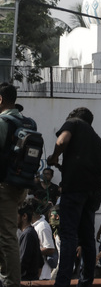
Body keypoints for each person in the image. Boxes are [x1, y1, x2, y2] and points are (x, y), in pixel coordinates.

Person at [47, 107, 101, 287]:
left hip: (74, 189)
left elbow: (61, 141)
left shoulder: (73, 123)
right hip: (93, 195)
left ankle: (62, 282)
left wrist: (54, 157)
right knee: (87, 239)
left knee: (68, 237)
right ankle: (85, 282)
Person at [0, 82, 29, 287]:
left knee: (7, 236)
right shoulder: (25, 122)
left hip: (4, 185)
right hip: (19, 185)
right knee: (5, 233)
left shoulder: (3, 121)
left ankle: (11, 282)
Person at [30, 199, 56, 280]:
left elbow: (50, 248)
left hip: (43, 275)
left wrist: (30, 252)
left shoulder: (42, 226)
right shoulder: (34, 225)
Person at [17, 203, 43, 281]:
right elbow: (40, 262)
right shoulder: (29, 233)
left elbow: (22, 263)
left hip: (26, 281)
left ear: (24, 216)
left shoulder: (28, 234)